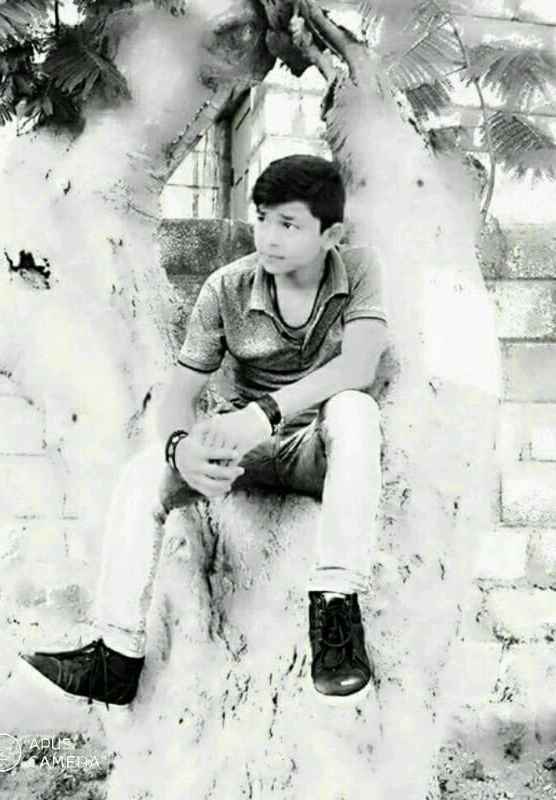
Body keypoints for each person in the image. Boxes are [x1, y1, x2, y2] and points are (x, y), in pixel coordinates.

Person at [21, 154, 389, 706]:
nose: (268, 236)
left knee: (356, 409)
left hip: (317, 446)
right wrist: (179, 450)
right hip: (243, 453)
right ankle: (116, 657)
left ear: (330, 234)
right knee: (141, 475)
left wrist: (263, 412)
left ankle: (335, 612)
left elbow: (358, 366)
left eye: (288, 224)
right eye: (262, 218)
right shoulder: (227, 287)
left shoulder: (359, 269)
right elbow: (178, 398)